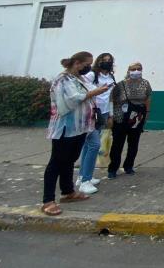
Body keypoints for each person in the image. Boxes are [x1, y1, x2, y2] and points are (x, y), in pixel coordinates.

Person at [42, 52, 109, 216]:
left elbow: (91, 89)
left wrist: (101, 90)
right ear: (77, 63)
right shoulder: (63, 79)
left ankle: (68, 191)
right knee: (56, 162)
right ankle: (48, 200)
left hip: (80, 128)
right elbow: (71, 100)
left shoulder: (80, 79)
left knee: (70, 160)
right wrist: (95, 93)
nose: (89, 67)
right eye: (87, 64)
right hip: (65, 127)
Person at [76, 52, 117, 194]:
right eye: (104, 60)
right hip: (91, 112)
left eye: (109, 60)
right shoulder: (92, 75)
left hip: (103, 113)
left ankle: (83, 176)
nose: (107, 62)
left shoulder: (110, 77)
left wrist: (111, 114)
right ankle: (85, 180)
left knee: (89, 145)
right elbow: (81, 88)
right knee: (94, 145)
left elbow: (110, 96)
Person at [108, 62, 152, 178]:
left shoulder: (145, 83)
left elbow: (147, 98)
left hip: (137, 118)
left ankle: (129, 166)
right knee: (117, 144)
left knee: (133, 143)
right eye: (133, 69)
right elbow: (111, 100)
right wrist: (111, 116)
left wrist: (147, 112)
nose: (136, 71)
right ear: (128, 71)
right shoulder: (120, 85)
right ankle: (113, 169)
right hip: (121, 118)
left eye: (139, 69)